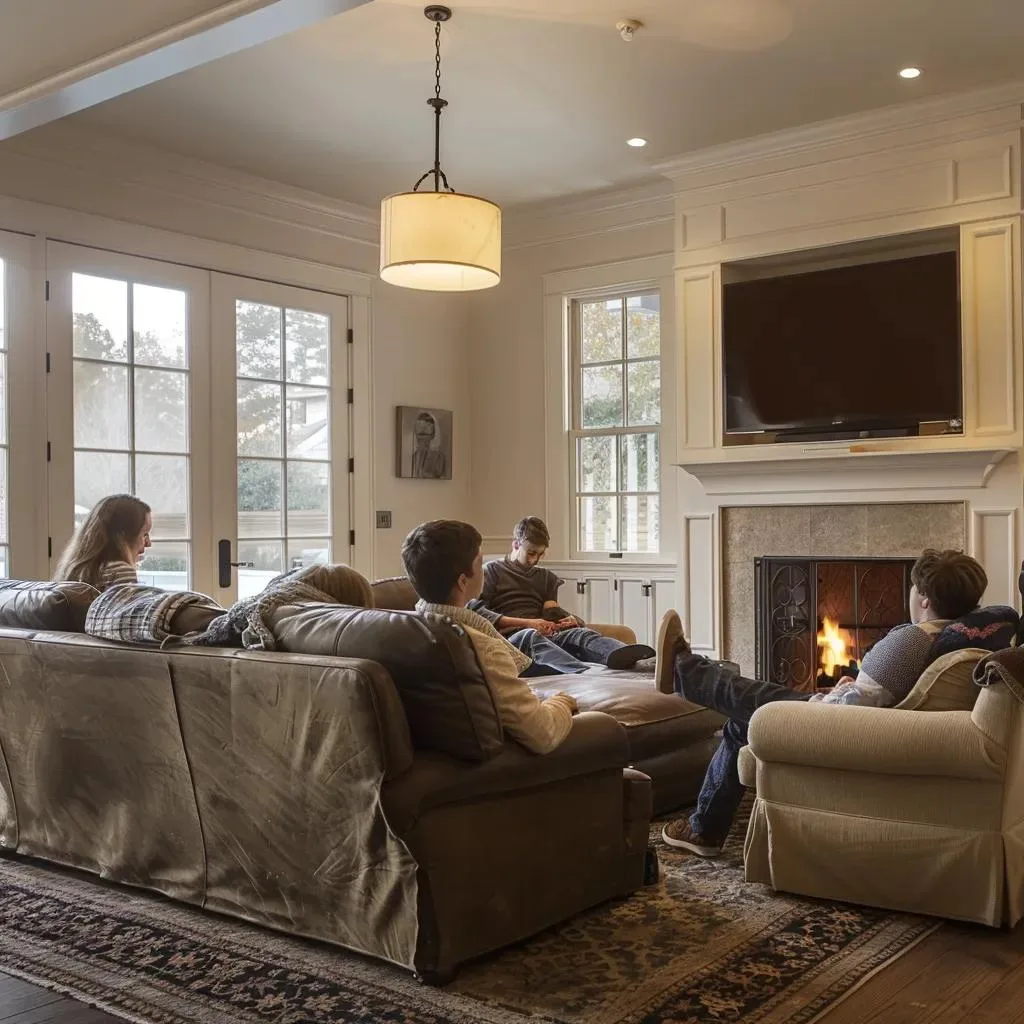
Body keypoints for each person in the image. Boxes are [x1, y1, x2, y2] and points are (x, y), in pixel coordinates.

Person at [656, 548, 1018, 858]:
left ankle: (685, 670)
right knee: (745, 716)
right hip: (886, 722)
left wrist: (835, 695)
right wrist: (849, 688)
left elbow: (851, 713)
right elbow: (874, 696)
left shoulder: (910, 642)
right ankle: (703, 827)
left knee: (747, 704)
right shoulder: (989, 630)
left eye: (912, 588)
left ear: (923, 598)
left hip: (842, 727)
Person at [402, 519, 578, 754]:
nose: (484, 568)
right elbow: (542, 734)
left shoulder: (403, 632)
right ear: (463, 581)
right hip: (492, 768)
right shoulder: (484, 647)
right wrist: (562, 700)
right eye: (480, 561)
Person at [469, 516, 656, 674]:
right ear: (516, 544)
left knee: (581, 633)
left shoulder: (546, 578)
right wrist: (528, 623)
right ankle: (585, 673)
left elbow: (551, 611)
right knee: (532, 635)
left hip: (549, 635)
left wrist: (573, 620)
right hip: (516, 640)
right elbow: (477, 613)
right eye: (531, 553)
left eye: (540, 554)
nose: (535, 560)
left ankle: (641, 662)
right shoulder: (491, 572)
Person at [53, 494, 152, 591]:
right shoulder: (119, 572)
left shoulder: (75, 571)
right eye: (144, 534)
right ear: (122, 536)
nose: (148, 543)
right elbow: (125, 607)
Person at [410, 411, 448, 480]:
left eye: (426, 435)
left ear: (432, 435)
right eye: (420, 435)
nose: (422, 440)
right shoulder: (414, 456)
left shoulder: (440, 457)